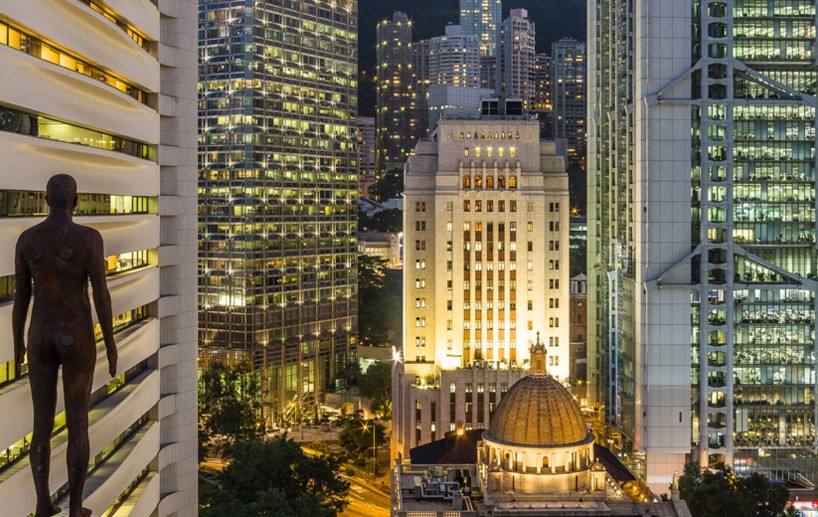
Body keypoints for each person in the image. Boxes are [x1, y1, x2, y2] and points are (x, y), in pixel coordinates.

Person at [13, 174, 117, 517]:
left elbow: (22, 298)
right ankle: (74, 507)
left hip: (39, 334)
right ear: (76, 201)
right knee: (78, 423)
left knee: (41, 425)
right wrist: (110, 341)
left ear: (46, 200)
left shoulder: (28, 240)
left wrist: (18, 345)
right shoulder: (88, 238)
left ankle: (43, 504)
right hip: (75, 334)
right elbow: (100, 293)